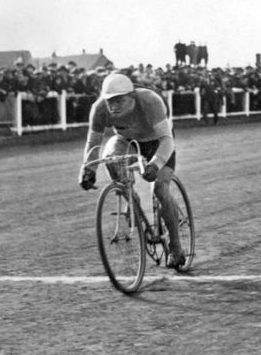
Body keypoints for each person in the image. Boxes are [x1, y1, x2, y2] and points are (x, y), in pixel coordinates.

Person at [77, 72, 187, 269]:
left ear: (132, 97)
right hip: (127, 141)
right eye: (110, 100)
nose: (113, 106)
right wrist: (88, 170)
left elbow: (167, 140)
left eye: (119, 100)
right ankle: (131, 198)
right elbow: (93, 143)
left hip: (158, 142)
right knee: (111, 155)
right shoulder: (99, 109)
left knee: (160, 188)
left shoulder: (150, 101)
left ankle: (176, 246)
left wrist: (156, 164)